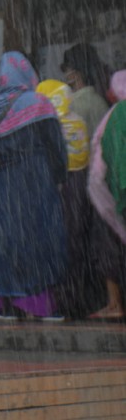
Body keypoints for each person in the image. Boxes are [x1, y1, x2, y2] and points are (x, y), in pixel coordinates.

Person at [0, 52, 68, 321]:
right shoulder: (39, 103)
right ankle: (42, 306)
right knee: (39, 239)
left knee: (5, 240)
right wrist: (59, 177)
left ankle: (8, 305)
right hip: (34, 181)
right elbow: (56, 147)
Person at [36, 79, 102, 319]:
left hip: (60, 189)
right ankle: (79, 299)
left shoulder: (49, 125)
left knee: (60, 244)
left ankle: (60, 300)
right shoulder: (78, 121)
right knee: (78, 243)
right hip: (80, 186)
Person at [86, 70, 126, 321]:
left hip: (114, 196)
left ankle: (114, 304)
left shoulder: (116, 115)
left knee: (109, 248)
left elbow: (102, 164)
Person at [61, 43, 110, 140]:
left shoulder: (75, 104)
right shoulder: (98, 100)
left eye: (65, 69)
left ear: (76, 73)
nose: (65, 74)